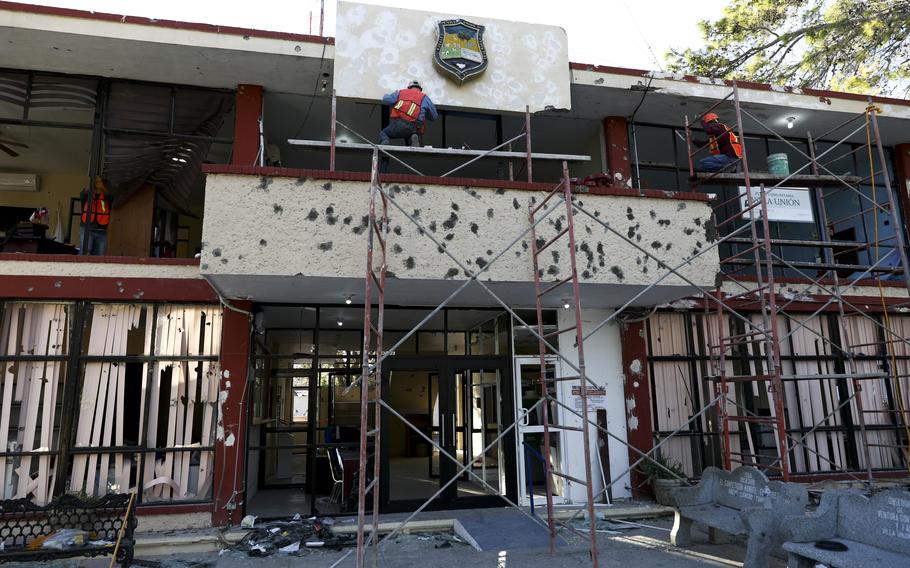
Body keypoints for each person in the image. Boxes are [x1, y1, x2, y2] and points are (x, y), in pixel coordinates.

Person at [379, 80, 438, 147]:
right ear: (420, 89)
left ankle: (385, 141)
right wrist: (425, 114)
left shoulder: (401, 92)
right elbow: (434, 117)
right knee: (412, 136)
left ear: (409, 87)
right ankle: (413, 137)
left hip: (400, 123)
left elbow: (386, 100)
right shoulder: (425, 97)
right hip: (416, 127)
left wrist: (387, 95)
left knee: (384, 133)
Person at [79, 176, 110, 256]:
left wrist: (101, 187)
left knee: (99, 255)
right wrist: (93, 183)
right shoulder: (86, 196)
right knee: (85, 253)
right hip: (87, 229)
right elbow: (83, 193)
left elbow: (109, 195)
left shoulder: (107, 197)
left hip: (101, 231)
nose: (96, 189)